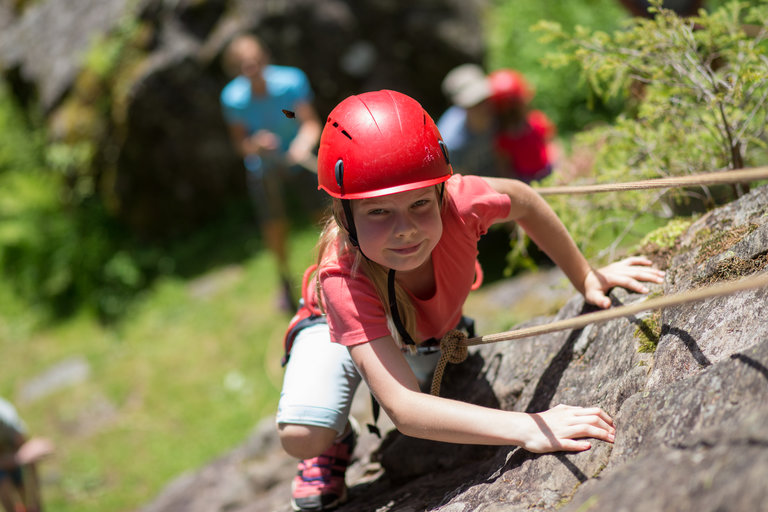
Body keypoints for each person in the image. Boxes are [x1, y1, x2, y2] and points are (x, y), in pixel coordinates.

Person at [275, 90, 665, 511]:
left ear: (441, 192)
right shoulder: (343, 276)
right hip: (332, 333)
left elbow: (524, 199)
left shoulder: (462, 204)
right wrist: (527, 426)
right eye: (379, 212)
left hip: (419, 337)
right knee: (302, 435)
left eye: (420, 204)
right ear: (344, 216)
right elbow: (405, 409)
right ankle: (335, 442)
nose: (405, 229)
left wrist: (586, 275)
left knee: (432, 382)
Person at [220, 34, 322, 312]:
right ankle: (284, 280)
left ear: (265, 57)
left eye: (255, 61)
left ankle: (333, 269)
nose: (252, 68)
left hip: (297, 158)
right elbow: (241, 143)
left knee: (322, 214)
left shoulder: (290, 82)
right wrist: (255, 144)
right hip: (264, 166)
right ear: (236, 69)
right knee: (274, 224)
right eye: (244, 65)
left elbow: (310, 123)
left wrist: (301, 145)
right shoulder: (233, 99)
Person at [489, 69, 558, 183]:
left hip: (547, 170)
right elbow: (504, 167)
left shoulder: (537, 122)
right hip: (524, 179)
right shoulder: (504, 139)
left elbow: (552, 143)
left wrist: (558, 167)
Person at [436, 64, 498, 177]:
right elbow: (459, 183)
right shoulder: (451, 143)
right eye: (476, 103)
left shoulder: (501, 111)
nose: (485, 107)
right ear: (462, 106)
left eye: (486, 99)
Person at [0, 398, 54, 512]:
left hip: (10, 453)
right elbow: (24, 455)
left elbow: (29, 453)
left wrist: (34, 501)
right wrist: (19, 458)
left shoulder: (7, 416)